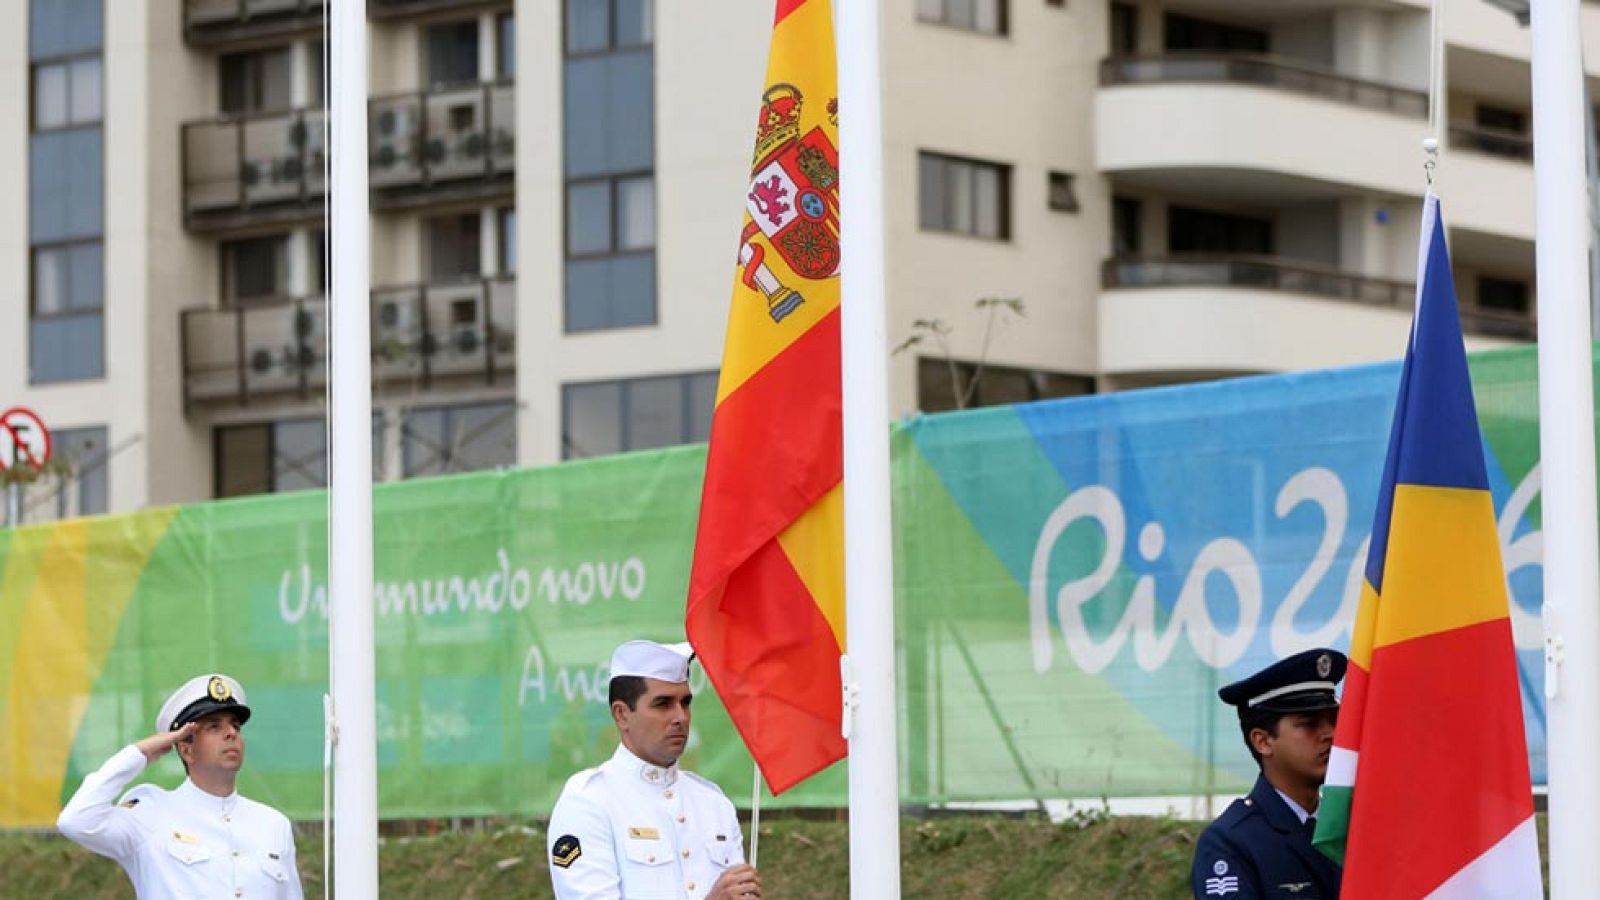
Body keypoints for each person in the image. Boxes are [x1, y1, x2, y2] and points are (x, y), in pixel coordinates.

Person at [57, 673, 303, 900]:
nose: (231, 733)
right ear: (185, 748)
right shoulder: (151, 812)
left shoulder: (272, 824)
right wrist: (141, 752)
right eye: (214, 726)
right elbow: (76, 820)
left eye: (235, 726)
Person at [548, 640, 762, 900]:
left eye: (685, 703)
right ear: (622, 715)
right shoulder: (589, 803)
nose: (680, 717)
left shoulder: (713, 803)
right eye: (663, 704)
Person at [1191, 648, 1346, 899]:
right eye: (1309, 724)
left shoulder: (1349, 828)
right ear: (1262, 741)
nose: (1330, 734)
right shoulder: (1232, 842)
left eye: (1334, 721)